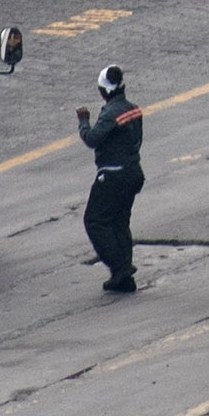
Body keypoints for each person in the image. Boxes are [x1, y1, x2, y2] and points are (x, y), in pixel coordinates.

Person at [78, 65, 145, 293]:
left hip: (113, 175)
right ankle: (124, 277)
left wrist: (83, 121)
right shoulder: (134, 110)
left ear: (103, 91)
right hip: (133, 173)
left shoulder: (110, 113)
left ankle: (120, 269)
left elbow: (92, 139)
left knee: (95, 221)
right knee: (119, 222)